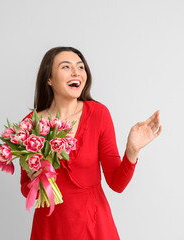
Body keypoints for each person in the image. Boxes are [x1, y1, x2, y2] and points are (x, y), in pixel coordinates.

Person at [20, 47, 162, 240]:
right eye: (66, 67)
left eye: (81, 67)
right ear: (49, 79)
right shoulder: (30, 124)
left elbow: (116, 184)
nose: (76, 72)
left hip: (94, 225)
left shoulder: (98, 114)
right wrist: (34, 178)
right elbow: (26, 189)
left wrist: (132, 151)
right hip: (50, 227)